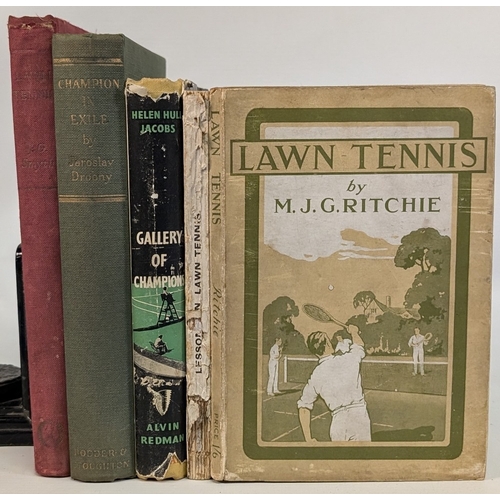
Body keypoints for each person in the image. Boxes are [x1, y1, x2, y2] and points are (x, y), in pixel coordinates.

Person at [297, 324, 371, 442]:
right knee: (363, 454)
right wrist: (354, 332)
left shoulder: (316, 375)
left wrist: (308, 439)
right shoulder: (348, 359)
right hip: (359, 418)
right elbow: (359, 346)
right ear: (327, 344)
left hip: (338, 423)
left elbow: (304, 407)